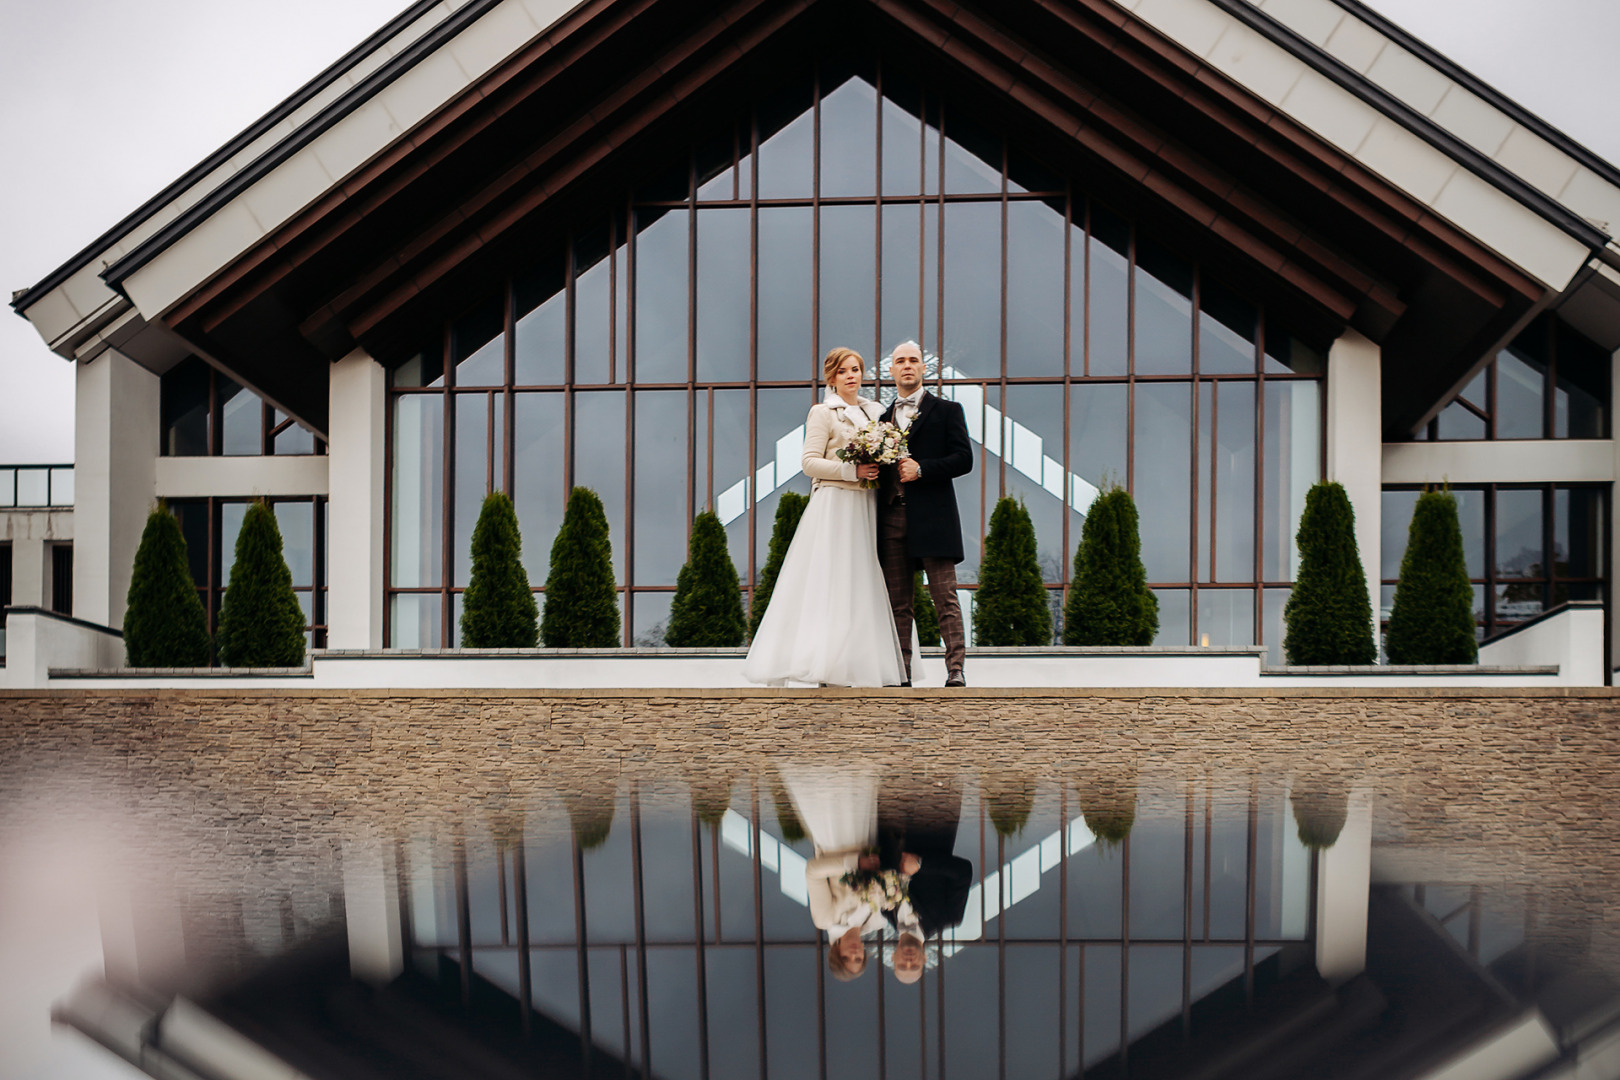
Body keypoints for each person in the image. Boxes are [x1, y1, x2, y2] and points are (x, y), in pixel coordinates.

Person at [743, 347, 907, 688]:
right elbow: (808, 462)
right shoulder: (823, 413)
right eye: (844, 370)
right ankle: (821, 665)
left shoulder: (875, 413)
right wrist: (852, 470)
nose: (852, 376)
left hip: (865, 506)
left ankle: (853, 665)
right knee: (830, 583)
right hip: (835, 504)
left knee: (859, 585)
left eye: (857, 369)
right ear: (832, 377)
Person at [878, 341, 973, 687]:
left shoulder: (947, 410)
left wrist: (922, 470)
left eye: (913, 361)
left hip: (934, 517)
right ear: (891, 370)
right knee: (898, 604)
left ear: (923, 369)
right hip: (891, 518)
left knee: (944, 596)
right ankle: (901, 673)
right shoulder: (881, 418)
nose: (907, 366)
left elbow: (964, 459)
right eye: (900, 361)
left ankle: (956, 669)